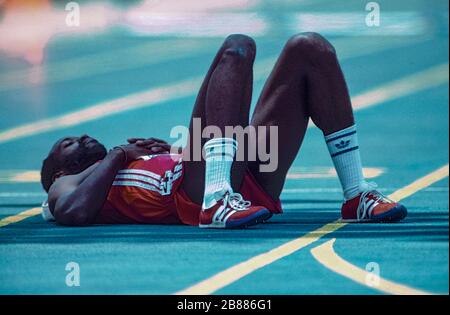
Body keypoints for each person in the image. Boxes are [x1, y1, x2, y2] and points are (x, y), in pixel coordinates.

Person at [40, 32, 407, 228]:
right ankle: (217, 202)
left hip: (240, 173)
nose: (83, 138)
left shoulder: (121, 166)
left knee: (308, 48)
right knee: (236, 47)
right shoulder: (64, 187)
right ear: (58, 170)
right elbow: (74, 213)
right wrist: (120, 155)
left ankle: (357, 193)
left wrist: (170, 151)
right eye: (68, 143)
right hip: (200, 192)